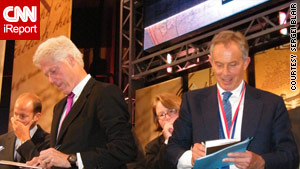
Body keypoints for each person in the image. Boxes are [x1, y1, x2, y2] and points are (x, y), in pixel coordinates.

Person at [165, 30, 299, 169]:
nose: (225, 73)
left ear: (246, 62)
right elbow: (172, 150)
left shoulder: (271, 104)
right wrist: (190, 158)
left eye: (233, 64)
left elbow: (290, 156)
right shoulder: (193, 102)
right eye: (219, 64)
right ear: (211, 61)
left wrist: (261, 162)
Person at [27, 35, 136, 169]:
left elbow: (125, 147)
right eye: (47, 75)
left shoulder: (104, 94)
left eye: (53, 71)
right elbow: (62, 153)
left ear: (71, 60)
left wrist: (72, 160)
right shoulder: (59, 107)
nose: (50, 80)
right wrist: (45, 161)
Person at [0, 93, 49, 169]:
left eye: (23, 116)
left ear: (36, 116)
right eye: (15, 114)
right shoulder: (2, 140)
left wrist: (24, 139)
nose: (17, 119)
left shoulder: (49, 141)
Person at [145, 93, 181, 169]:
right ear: (158, 121)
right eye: (161, 115)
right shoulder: (152, 148)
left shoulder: (197, 135)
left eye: (171, 111)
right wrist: (168, 141)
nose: (167, 117)